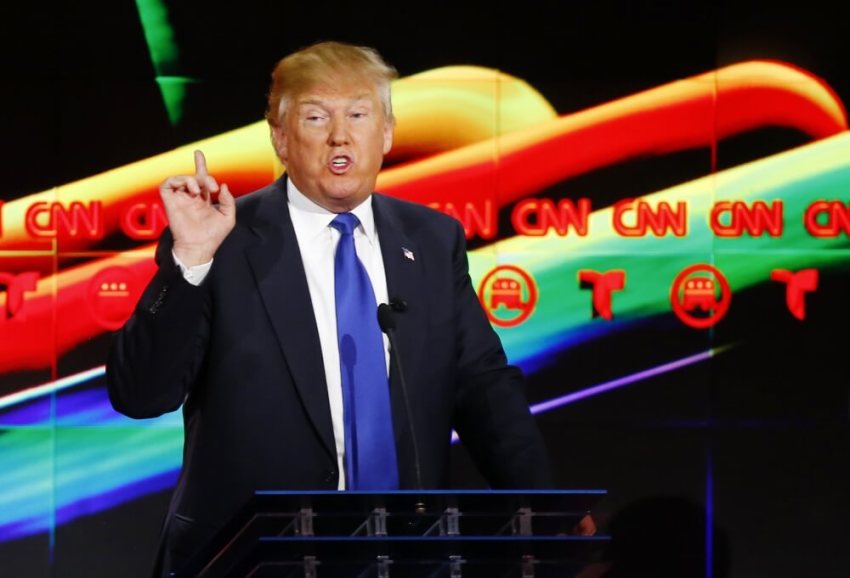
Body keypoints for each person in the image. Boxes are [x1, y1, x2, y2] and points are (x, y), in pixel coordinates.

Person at [107, 41, 553, 576]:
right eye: (317, 117)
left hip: (402, 556)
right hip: (247, 559)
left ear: (386, 132)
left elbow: (484, 388)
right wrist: (191, 260)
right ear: (281, 138)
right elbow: (140, 395)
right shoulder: (223, 239)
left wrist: (542, 506)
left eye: (359, 115)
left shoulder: (432, 241)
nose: (340, 135)